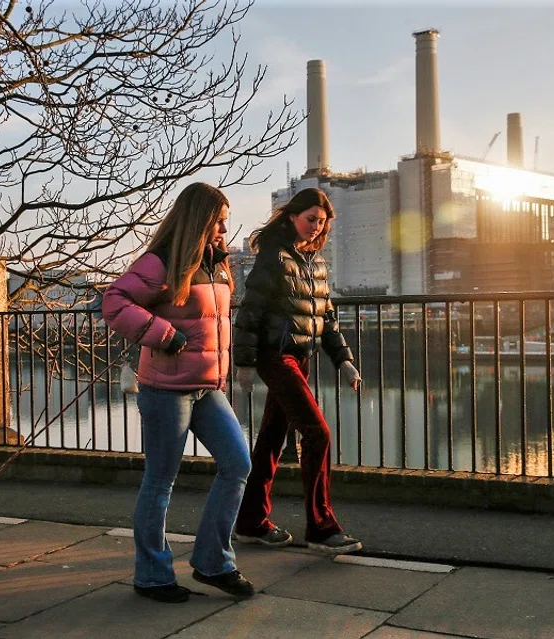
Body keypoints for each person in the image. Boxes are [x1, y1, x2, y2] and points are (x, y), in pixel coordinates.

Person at [102, 182, 254, 603]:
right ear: (200, 219)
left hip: (207, 388)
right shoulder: (162, 261)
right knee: (161, 481)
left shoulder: (216, 264)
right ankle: (152, 575)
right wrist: (161, 332)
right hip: (166, 390)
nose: (225, 227)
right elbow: (115, 300)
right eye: (219, 219)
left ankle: (212, 563)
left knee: (238, 463)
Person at [232, 187, 363, 555]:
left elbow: (327, 320)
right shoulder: (274, 257)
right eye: (310, 220)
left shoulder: (317, 263)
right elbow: (250, 312)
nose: (316, 228)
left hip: (300, 358)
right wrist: (244, 362)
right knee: (317, 433)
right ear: (292, 216)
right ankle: (321, 528)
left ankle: (250, 523)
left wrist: (345, 361)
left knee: (272, 438)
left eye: (321, 223)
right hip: (277, 356)